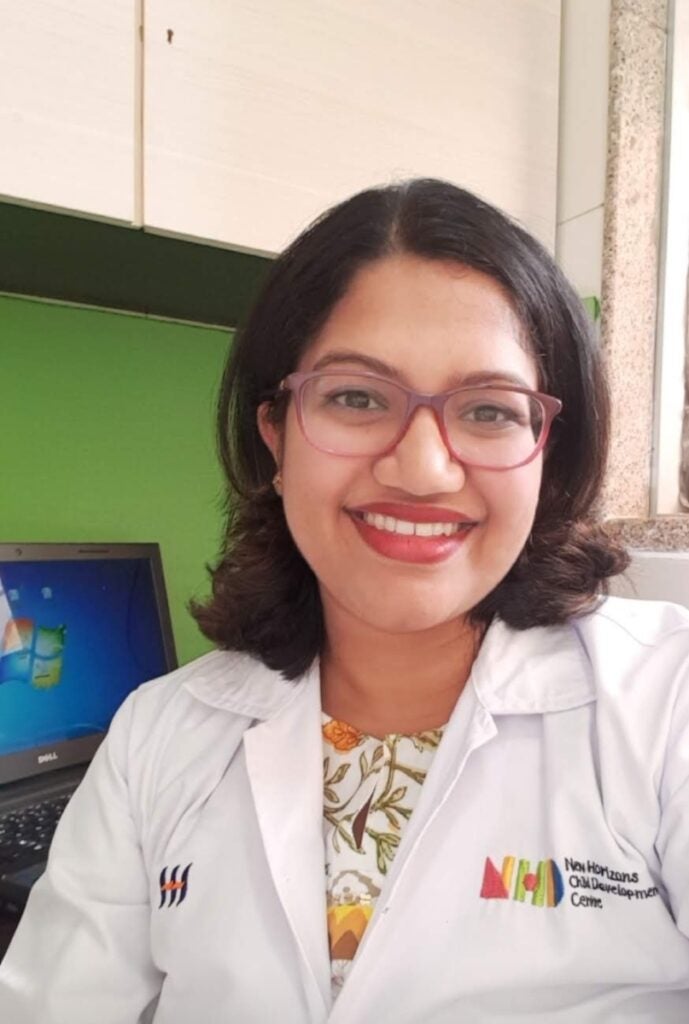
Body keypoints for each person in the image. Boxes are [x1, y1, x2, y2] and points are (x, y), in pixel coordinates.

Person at [1, 178, 689, 1024]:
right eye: (357, 397)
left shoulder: (666, 703)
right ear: (276, 436)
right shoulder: (158, 735)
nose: (423, 468)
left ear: (548, 454)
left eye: (487, 410)